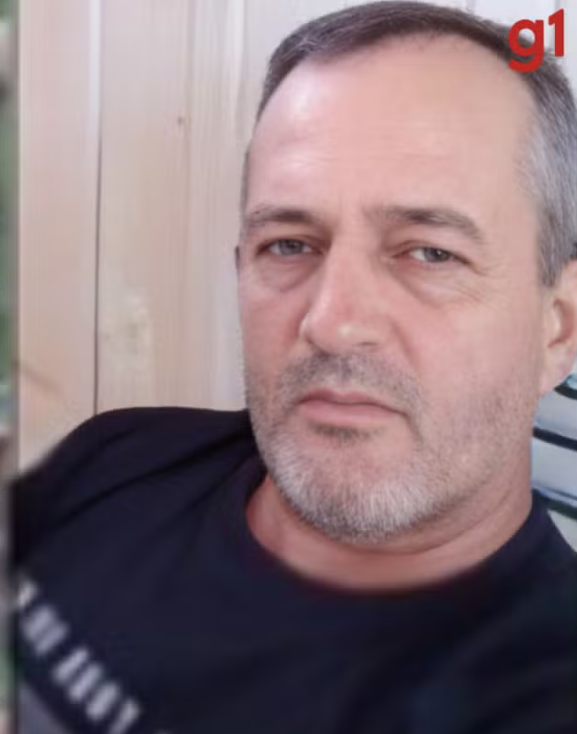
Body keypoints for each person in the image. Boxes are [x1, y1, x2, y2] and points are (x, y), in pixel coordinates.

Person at [14, 2, 577, 733]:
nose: (331, 323)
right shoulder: (115, 457)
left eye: (429, 252)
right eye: (288, 244)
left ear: (559, 328)